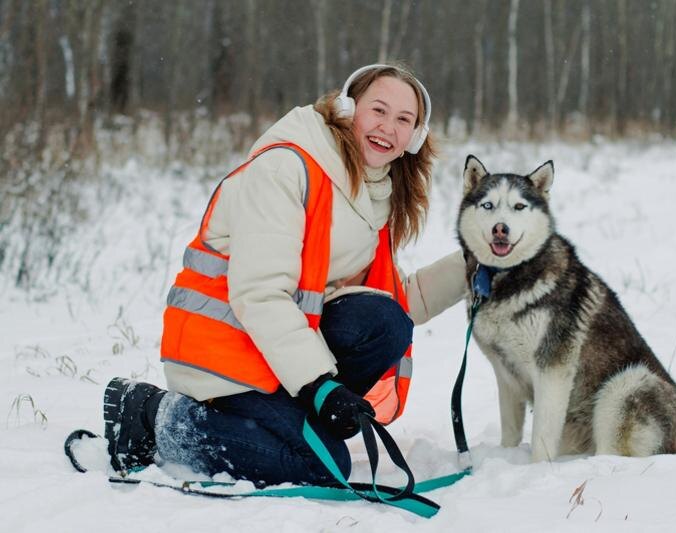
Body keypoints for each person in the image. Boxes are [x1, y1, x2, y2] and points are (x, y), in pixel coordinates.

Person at [102, 64, 466, 487]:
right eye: (378, 110)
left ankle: (294, 421)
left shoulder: (370, 194)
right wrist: (319, 386)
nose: (388, 127)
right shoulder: (285, 168)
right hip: (222, 354)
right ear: (347, 109)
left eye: (404, 119)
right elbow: (260, 294)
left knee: (385, 322)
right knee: (320, 465)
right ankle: (154, 415)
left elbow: (393, 300)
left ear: (415, 137)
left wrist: (477, 265)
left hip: (274, 355)